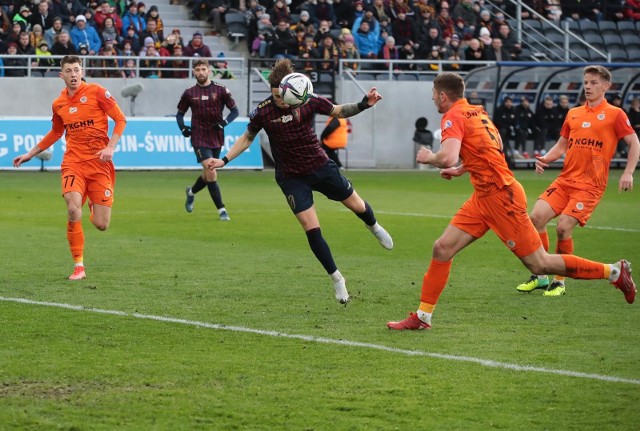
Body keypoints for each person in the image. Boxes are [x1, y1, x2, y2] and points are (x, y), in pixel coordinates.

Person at [387, 71, 636, 331]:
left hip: (501, 197)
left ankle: (615, 272)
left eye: (433, 96)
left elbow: (448, 157)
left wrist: (429, 157)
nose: (433, 101)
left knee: (540, 263)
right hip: (483, 196)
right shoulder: (477, 112)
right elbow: (493, 147)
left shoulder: (453, 115)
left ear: (442, 95)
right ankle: (423, 317)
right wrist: (464, 168)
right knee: (442, 248)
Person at [207, 59, 394, 304]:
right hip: (291, 177)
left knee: (358, 206)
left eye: (284, 96)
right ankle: (337, 278)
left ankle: (374, 227)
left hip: (320, 166)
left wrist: (363, 104)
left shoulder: (308, 99)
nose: (281, 100)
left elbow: (338, 111)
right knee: (311, 229)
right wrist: (224, 160)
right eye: (276, 96)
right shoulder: (263, 111)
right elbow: (247, 137)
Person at [515, 65, 640, 297]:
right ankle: (541, 277)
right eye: (586, 82)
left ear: (606, 86)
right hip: (565, 180)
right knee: (535, 218)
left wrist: (628, 172)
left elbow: (634, 143)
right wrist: (546, 158)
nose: (588, 86)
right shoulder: (573, 113)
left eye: (593, 82)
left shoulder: (616, 114)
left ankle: (559, 282)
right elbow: (562, 144)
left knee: (563, 228)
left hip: (590, 185)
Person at [12, 55, 127, 281]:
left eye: (76, 69)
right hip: (73, 163)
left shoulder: (97, 92)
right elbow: (56, 132)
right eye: (69, 70)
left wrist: (110, 147)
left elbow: (120, 119)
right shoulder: (59, 103)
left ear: (81, 71)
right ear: (61, 75)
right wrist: (30, 153)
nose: (73, 74)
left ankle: (94, 204)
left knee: (101, 224)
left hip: (99, 164)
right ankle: (79, 266)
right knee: (73, 208)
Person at [176, 59, 239, 221]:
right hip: (198, 136)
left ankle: (191, 192)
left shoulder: (221, 90)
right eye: (197, 70)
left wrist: (223, 123)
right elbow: (179, 114)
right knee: (211, 170)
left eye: (203, 69)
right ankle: (222, 210)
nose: (201, 72)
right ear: (194, 72)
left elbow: (234, 111)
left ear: (209, 71)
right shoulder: (189, 93)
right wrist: (183, 128)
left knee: (207, 174)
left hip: (216, 137)